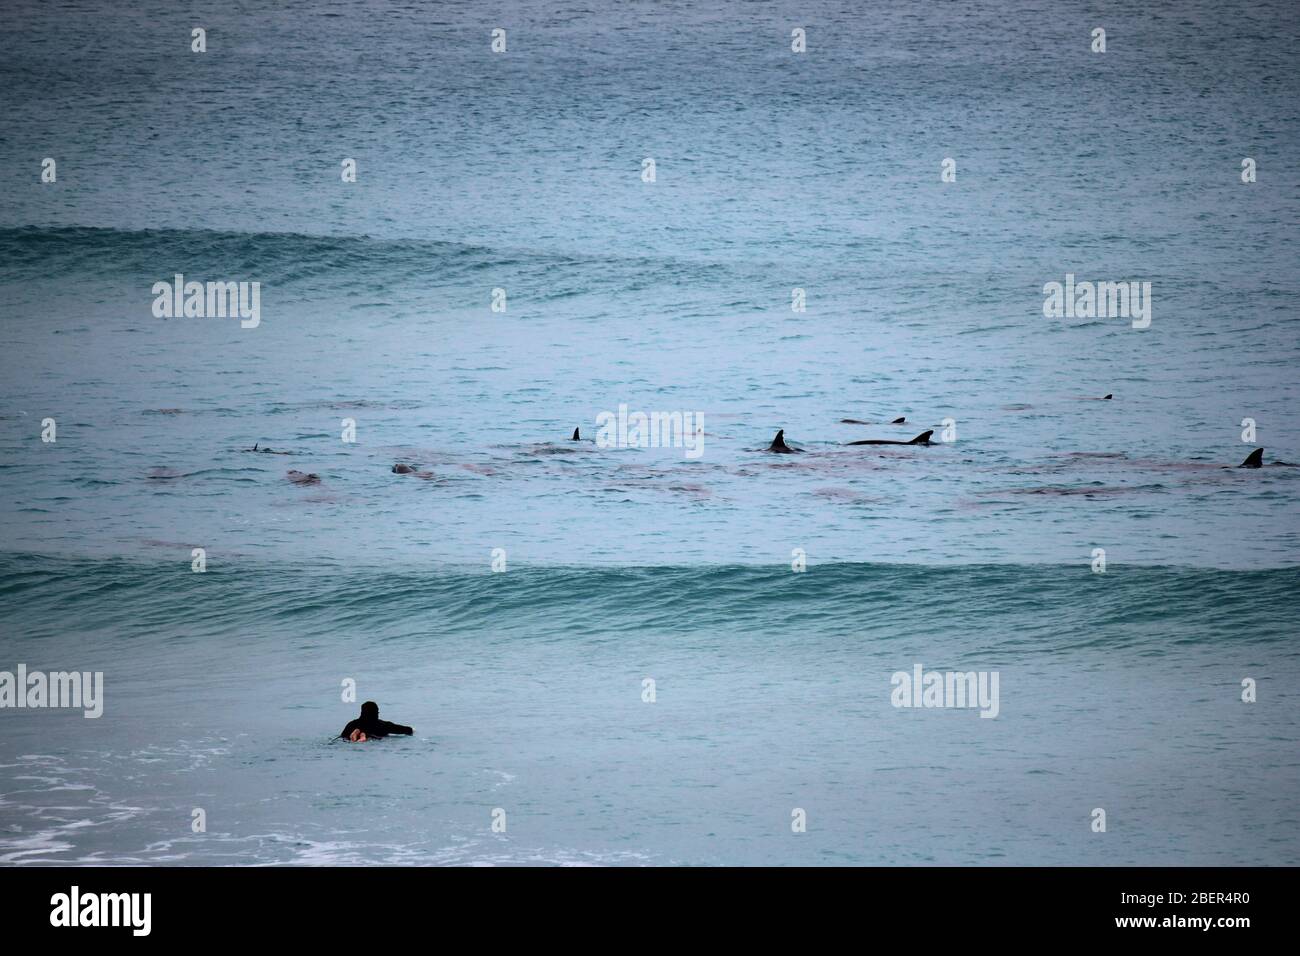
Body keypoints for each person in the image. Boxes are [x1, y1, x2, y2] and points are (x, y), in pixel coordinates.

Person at [338, 701, 413, 741]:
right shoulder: (384, 725)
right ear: (376, 713)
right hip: (374, 738)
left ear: (362, 712)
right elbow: (408, 730)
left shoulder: (352, 724)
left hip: (354, 737)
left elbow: (342, 737)